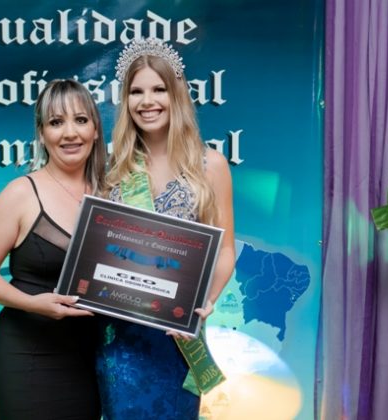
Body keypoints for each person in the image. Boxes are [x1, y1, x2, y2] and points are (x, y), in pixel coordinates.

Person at [95, 38, 236, 419]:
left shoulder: (210, 165)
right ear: (125, 101)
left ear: (176, 94)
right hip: (122, 341)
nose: (147, 101)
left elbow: (225, 249)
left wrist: (205, 303)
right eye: (136, 92)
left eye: (158, 89)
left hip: (179, 337)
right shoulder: (112, 168)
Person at [0, 79, 106, 419]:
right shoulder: (21, 193)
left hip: (88, 361)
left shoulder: (113, 193)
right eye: (56, 122)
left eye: (80, 120)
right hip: (26, 357)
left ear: (95, 130)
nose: (70, 133)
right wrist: (33, 304)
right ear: (42, 134)